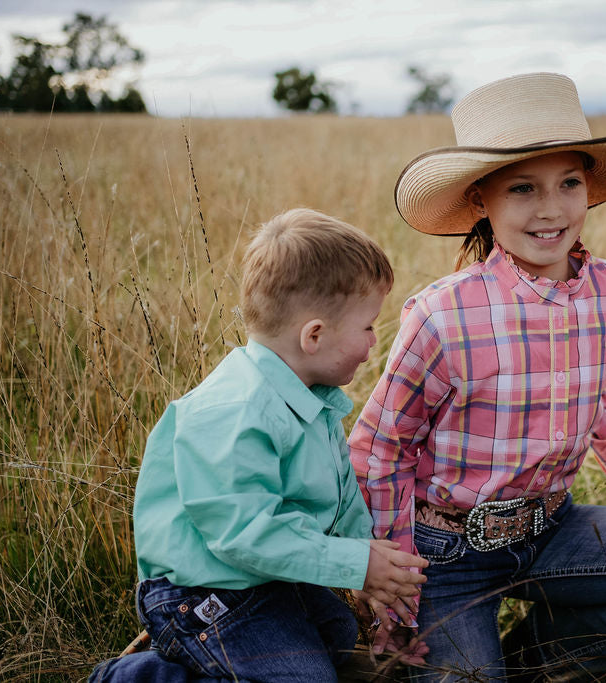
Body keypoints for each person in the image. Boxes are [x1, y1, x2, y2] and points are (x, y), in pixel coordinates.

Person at [348, 72, 606, 681]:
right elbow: (380, 448)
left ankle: (537, 664)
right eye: (523, 189)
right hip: (444, 553)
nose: (552, 209)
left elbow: (598, 396)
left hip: (554, 526)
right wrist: (390, 576)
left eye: (569, 183)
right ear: (481, 199)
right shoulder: (442, 314)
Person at [89, 208, 429, 682]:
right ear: (314, 335)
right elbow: (242, 531)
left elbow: (343, 495)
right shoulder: (235, 408)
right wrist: (355, 564)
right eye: (369, 326)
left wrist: (367, 567)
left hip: (262, 578)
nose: (375, 342)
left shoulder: (314, 399)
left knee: (332, 630)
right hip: (199, 593)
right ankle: (139, 678)